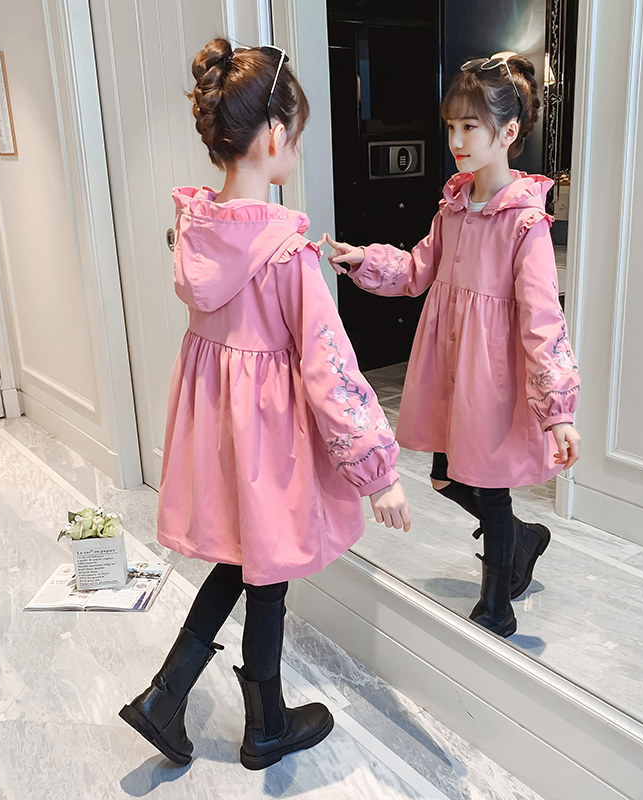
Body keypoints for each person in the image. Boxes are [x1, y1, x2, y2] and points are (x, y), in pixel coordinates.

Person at [119, 37, 411, 771]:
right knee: (265, 568)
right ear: (276, 135)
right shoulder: (286, 255)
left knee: (251, 562)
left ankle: (174, 697)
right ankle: (259, 720)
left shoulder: (198, 232)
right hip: (270, 443)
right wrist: (378, 472)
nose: (297, 149)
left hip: (219, 433)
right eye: (298, 135)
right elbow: (332, 369)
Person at [323, 52, 580, 638]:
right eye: (451, 127)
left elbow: (543, 317)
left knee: (489, 487)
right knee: (446, 476)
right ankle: (522, 540)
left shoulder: (525, 223)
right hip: (449, 370)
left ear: (508, 132)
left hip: (491, 378)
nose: (457, 141)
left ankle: (496, 608)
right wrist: (364, 260)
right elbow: (417, 270)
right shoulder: (454, 208)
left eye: (471, 126)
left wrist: (559, 409)